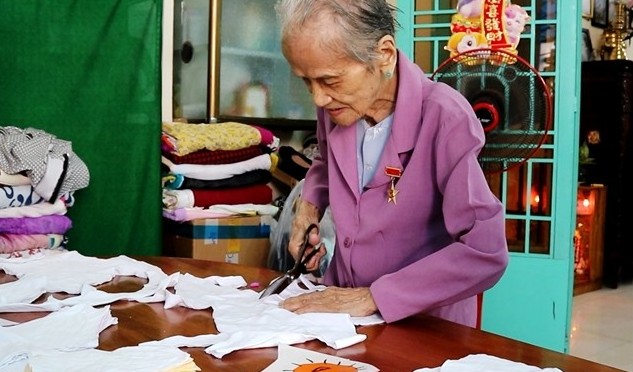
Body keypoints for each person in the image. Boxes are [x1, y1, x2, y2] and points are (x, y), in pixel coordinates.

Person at [274, 0, 509, 327]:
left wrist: (370, 297)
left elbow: (486, 253)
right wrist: (309, 208)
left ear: (384, 54)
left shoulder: (445, 118)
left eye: (330, 80)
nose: (318, 98)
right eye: (306, 81)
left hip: (425, 326)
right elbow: (326, 161)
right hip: (339, 313)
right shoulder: (337, 106)